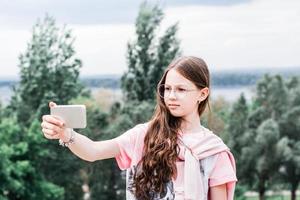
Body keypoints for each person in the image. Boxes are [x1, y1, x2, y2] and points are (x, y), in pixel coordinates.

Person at [41, 56, 237, 200]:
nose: (171, 96)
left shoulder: (215, 152)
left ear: (202, 94)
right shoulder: (145, 135)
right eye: (167, 89)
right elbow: (93, 151)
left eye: (181, 89)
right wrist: (66, 134)